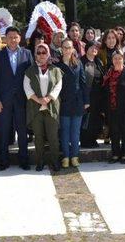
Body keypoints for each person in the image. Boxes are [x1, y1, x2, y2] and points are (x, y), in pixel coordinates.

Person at [0, 26, 34, 170]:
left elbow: (32, 77)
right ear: (5, 38)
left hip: (22, 100)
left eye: (15, 37)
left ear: (20, 38)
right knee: (3, 131)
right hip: (3, 100)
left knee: (22, 131)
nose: (13, 40)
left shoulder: (27, 54)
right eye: (10, 37)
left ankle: (24, 160)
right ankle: (3, 160)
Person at [24, 43, 63, 171]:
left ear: (48, 54)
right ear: (36, 54)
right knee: (38, 137)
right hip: (36, 108)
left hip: (51, 107)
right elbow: (27, 88)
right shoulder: (30, 70)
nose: (41, 55)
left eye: (44, 52)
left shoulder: (55, 70)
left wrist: (48, 98)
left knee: (53, 137)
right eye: (39, 52)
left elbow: (58, 86)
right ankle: (40, 161)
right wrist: (39, 100)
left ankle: (55, 161)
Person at [56, 38, 89, 168]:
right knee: (64, 132)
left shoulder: (78, 63)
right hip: (63, 103)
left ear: (73, 49)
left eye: (69, 47)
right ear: (61, 49)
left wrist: (86, 101)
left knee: (75, 132)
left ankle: (75, 156)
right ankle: (65, 156)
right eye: (65, 47)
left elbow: (83, 83)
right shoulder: (57, 66)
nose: (67, 50)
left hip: (77, 103)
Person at [103, 50, 125, 164]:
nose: (117, 60)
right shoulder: (109, 73)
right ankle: (115, 154)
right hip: (112, 108)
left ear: (123, 59)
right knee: (114, 132)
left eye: (119, 58)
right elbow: (105, 91)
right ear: (112, 60)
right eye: (115, 58)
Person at [80, 41, 104, 148]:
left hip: (98, 97)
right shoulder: (81, 61)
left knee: (95, 119)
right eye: (92, 47)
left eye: (96, 48)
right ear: (87, 49)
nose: (94, 49)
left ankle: (93, 139)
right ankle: (85, 140)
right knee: (86, 119)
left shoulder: (98, 62)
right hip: (86, 96)